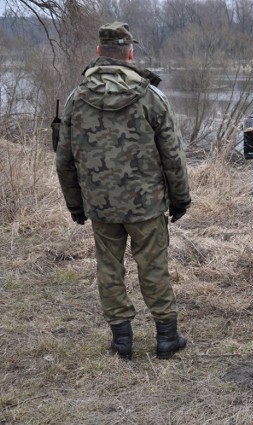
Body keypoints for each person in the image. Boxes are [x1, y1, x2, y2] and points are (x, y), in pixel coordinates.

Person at [55, 22, 191, 360]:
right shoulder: (150, 96)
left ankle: (122, 342)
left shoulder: (76, 98)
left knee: (108, 267)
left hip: (101, 206)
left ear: (100, 52)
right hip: (145, 206)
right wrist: (180, 198)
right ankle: (166, 338)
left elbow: (64, 161)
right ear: (129, 53)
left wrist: (76, 206)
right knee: (153, 266)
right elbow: (173, 155)